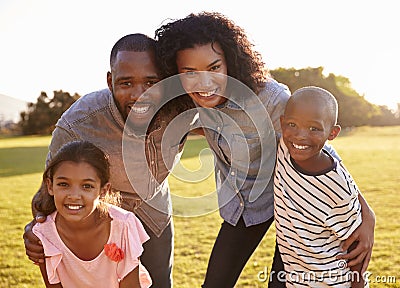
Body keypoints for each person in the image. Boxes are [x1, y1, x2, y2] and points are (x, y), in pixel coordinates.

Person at [155, 12, 375, 287]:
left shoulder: (271, 99)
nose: (204, 83)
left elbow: (323, 154)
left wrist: (368, 214)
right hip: (245, 205)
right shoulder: (194, 101)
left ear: (230, 63)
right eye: (190, 73)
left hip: (291, 204)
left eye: (214, 68)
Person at [23, 33, 194, 288]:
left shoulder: (183, 107)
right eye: (126, 83)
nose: (140, 95)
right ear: (110, 81)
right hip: (100, 217)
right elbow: (50, 185)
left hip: (154, 209)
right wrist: (36, 229)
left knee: (160, 283)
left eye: (151, 82)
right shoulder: (78, 122)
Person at [274, 86, 367, 287]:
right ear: (282, 124)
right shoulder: (284, 148)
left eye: (314, 128)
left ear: (332, 133)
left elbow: (356, 247)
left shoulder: (337, 188)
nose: (300, 135)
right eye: (292, 124)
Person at [32, 140, 152, 288]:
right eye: (64, 184)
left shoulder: (123, 225)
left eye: (87, 186)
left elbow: (131, 285)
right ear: (50, 186)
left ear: (103, 191)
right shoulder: (44, 234)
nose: (74, 196)